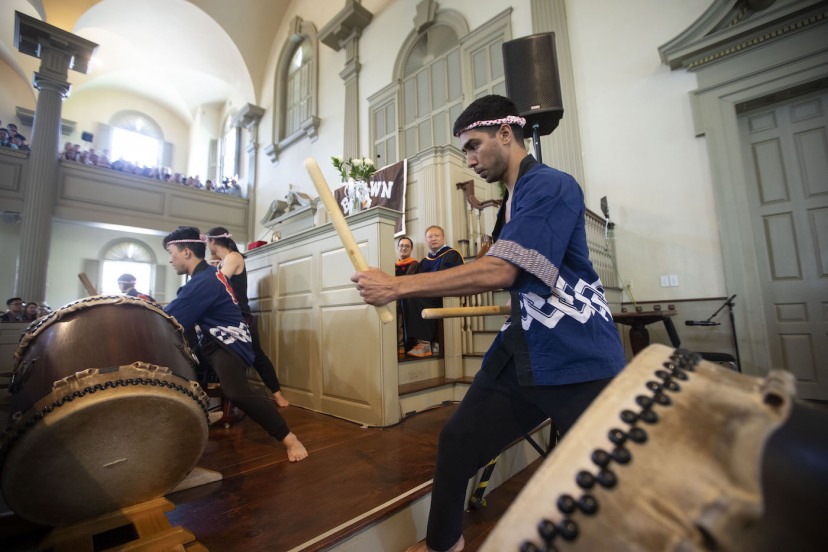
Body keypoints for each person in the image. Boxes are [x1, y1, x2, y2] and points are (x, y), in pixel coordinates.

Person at [352, 95, 626, 552]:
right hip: (524, 346)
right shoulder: (510, 202)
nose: (470, 160)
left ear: (505, 133)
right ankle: (443, 544)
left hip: (578, 354)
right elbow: (496, 263)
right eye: (464, 151)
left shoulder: (551, 185)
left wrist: (397, 287)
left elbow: (503, 271)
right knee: (458, 441)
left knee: (613, 489)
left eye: (474, 146)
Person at [163, 226, 307, 462]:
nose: (170, 260)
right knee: (184, 368)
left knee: (236, 391)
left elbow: (171, 318)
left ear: (187, 252)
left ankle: (289, 437)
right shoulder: (202, 278)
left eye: (172, 253)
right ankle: (198, 416)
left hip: (229, 343)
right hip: (211, 340)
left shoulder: (205, 281)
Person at [205, 226, 290, 408]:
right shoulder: (223, 261)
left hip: (240, 315)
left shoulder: (233, 257)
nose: (207, 246)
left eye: (207, 242)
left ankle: (277, 394)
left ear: (212, 241)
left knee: (257, 355)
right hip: (226, 316)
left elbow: (219, 284)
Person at [402, 226, 464, 358]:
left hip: (445, 297)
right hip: (429, 295)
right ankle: (410, 342)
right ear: (426, 240)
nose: (433, 239)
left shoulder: (451, 254)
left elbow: (449, 280)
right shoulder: (424, 261)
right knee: (406, 297)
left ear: (443, 238)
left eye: (437, 236)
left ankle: (425, 344)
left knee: (416, 297)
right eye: (430, 236)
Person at [395, 236, 419, 356]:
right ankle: (397, 344)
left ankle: (403, 345)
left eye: (407, 246)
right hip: (395, 296)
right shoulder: (393, 265)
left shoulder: (414, 264)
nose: (404, 248)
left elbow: (408, 280)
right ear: (398, 248)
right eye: (401, 246)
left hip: (408, 298)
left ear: (411, 249)